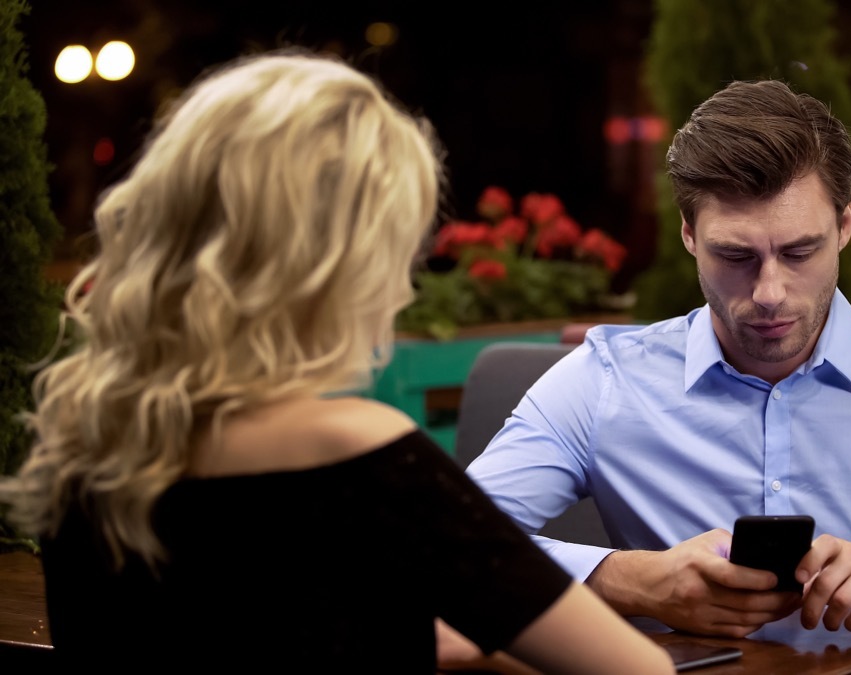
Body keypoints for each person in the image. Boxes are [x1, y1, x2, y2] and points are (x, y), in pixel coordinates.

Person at [0, 50, 672, 673]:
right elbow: (635, 667)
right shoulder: (356, 452)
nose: (402, 289)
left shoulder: (84, 441)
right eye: (396, 255)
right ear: (329, 268)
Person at [466, 80, 851, 673]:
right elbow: (438, 552)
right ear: (688, 236)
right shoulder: (603, 381)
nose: (770, 293)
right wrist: (629, 581)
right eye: (735, 256)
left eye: (800, 252)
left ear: (844, 228)